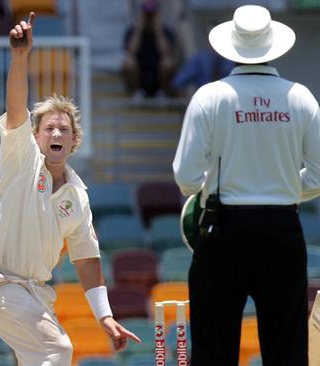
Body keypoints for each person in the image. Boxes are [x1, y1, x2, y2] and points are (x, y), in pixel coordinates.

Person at [0, 12, 141, 365]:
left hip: (34, 294)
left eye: (64, 130)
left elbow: (87, 258)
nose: (57, 134)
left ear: (75, 140)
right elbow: (16, 107)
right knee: (57, 349)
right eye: (49, 128)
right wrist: (20, 57)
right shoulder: (20, 156)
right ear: (35, 136)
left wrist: (104, 316)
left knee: (35, 357)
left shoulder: (78, 197)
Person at [172, 5, 320, 365]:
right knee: (287, 349)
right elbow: (317, 175)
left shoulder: (210, 97)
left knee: (213, 348)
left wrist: (217, 188)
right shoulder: (300, 97)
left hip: (223, 229)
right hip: (283, 229)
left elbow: (185, 177)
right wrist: (282, 188)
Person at [122, 0, 177, 98]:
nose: (149, 16)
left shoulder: (166, 31)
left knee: (168, 62)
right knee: (128, 62)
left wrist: (158, 30)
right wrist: (139, 28)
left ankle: (162, 93)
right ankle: (137, 93)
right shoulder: (133, 31)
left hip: (158, 77)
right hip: (140, 76)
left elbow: (167, 53)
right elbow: (130, 52)